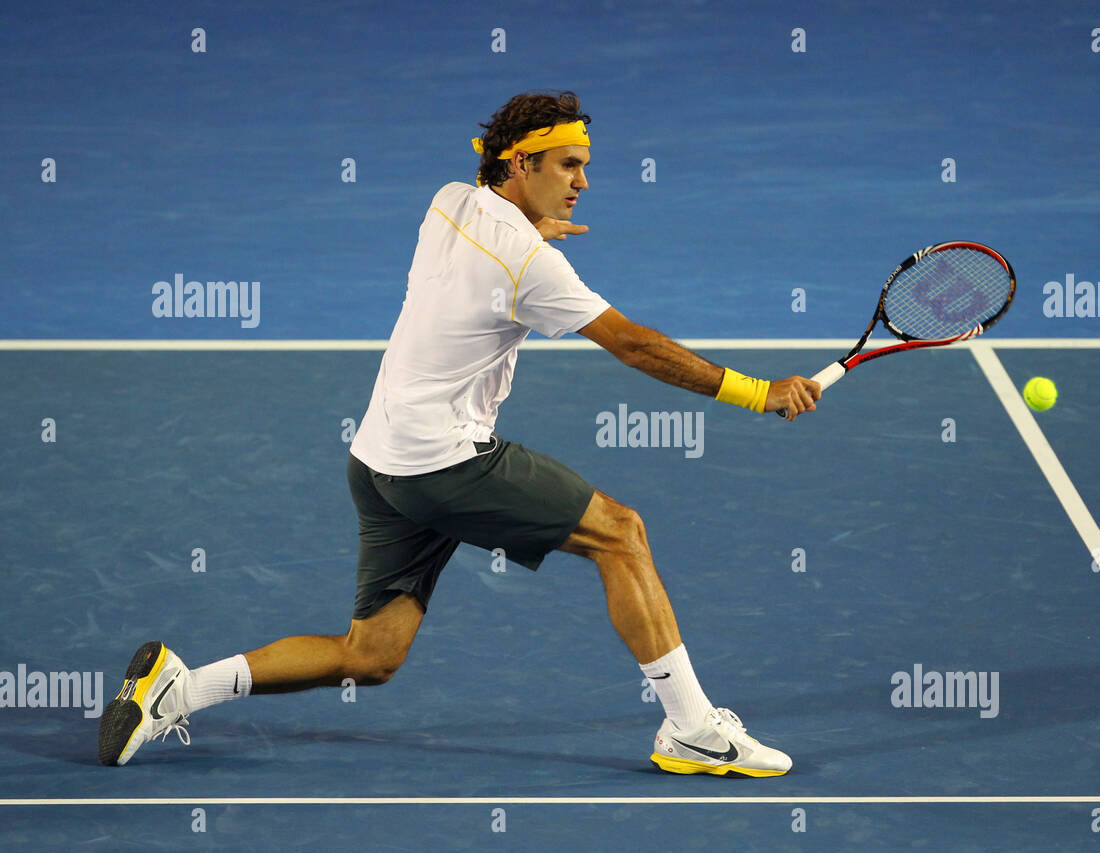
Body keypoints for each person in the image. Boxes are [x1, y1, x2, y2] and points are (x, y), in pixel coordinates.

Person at [98, 91, 821, 777]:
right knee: (620, 534)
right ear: (521, 166)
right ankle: (692, 731)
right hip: (442, 462)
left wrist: (530, 228)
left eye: (586, 167)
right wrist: (758, 393)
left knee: (371, 655)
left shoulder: (449, 201)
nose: (584, 182)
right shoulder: (534, 266)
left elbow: (493, 252)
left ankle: (179, 690)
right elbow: (635, 346)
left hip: (379, 459)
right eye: (568, 165)